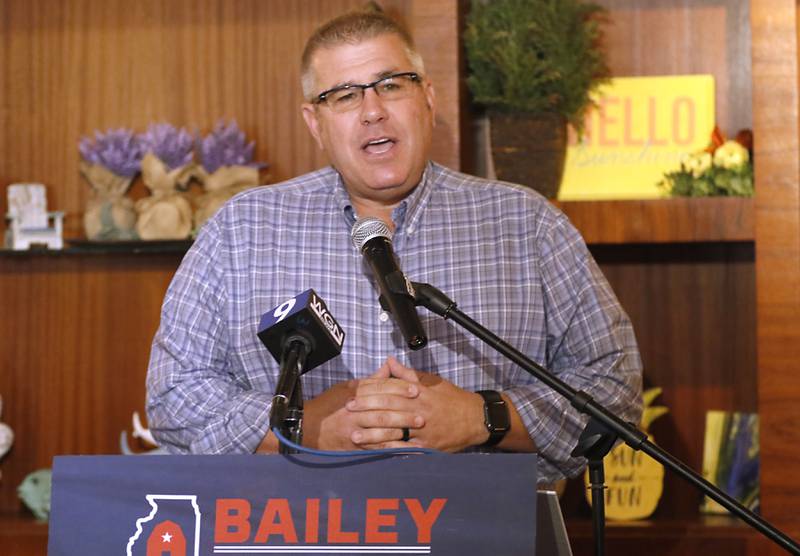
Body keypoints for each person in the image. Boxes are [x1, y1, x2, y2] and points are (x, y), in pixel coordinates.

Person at [146, 9, 643, 485]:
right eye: (343, 96)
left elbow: (613, 388)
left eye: (390, 85)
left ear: (428, 98)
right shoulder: (242, 229)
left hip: (483, 529)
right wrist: (301, 426)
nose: (372, 111)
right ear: (314, 122)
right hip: (295, 533)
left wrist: (482, 416)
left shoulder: (526, 224)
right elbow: (173, 397)